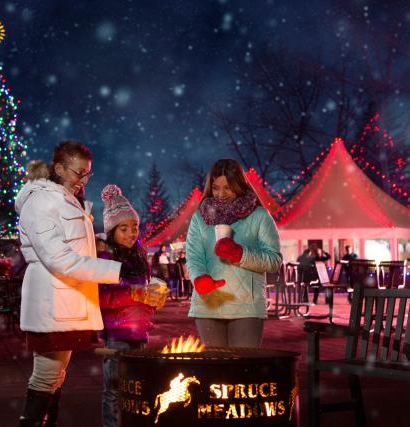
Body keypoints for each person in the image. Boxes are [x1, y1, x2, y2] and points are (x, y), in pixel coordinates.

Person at [15, 142, 126, 427]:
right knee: (46, 374)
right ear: (59, 168)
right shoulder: (41, 200)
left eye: (88, 174)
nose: (84, 180)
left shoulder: (64, 198)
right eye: (79, 173)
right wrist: (114, 270)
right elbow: (58, 258)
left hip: (65, 300)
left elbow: (74, 249)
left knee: (55, 375)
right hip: (52, 300)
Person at [185, 159, 282, 348]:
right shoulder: (199, 218)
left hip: (246, 306)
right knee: (215, 371)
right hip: (209, 304)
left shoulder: (259, 215)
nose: (220, 194)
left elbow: (274, 260)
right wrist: (199, 278)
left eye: (227, 188)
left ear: (239, 185)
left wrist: (240, 254)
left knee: (242, 370)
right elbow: (194, 256)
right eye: (215, 188)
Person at [98, 184, 167, 427]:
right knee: (115, 390)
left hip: (140, 334)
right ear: (111, 231)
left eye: (134, 227)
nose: (131, 233)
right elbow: (102, 298)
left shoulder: (139, 256)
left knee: (138, 389)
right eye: (123, 229)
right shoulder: (105, 258)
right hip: (117, 336)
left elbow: (144, 296)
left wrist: (154, 298)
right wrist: (135, 293)